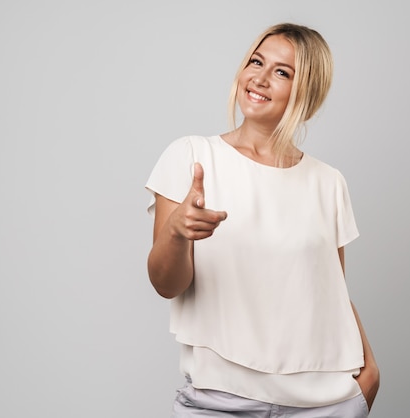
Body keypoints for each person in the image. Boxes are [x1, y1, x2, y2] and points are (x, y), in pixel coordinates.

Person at [145, 22, 380, 417]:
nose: (260, 77)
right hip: (219, 401)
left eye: (282, 72)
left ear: (306, 93)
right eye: (256, 61)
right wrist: (176, 233)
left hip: (323, 404)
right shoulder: (191, 156)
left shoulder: (328, 182)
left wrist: (370, 374)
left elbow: (333, 293)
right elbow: (166, 285)